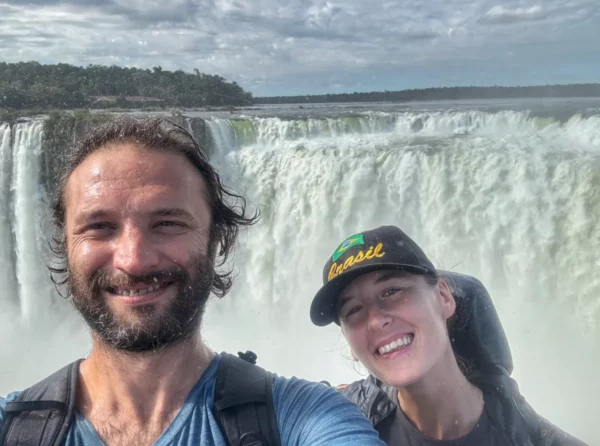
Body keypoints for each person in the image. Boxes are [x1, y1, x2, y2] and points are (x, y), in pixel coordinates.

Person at [0, 118, 385, 446]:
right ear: (64, 246)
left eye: (167, 223)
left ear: (217, 239)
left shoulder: (303, 418)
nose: (134, 260)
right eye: (99, 227)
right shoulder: (10, 427)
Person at [310, 225, 587, 445]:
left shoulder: (530, 438)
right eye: (354, 310)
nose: (376, 320)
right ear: (349, 342)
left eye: (392, 291)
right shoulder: (337, 419)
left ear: (443, 296)